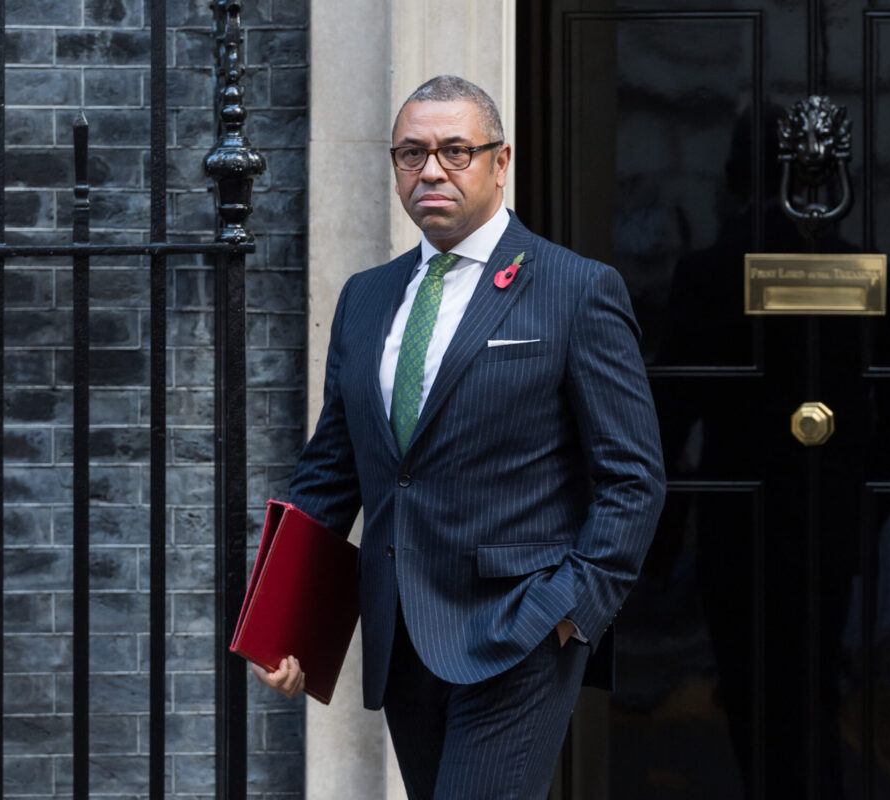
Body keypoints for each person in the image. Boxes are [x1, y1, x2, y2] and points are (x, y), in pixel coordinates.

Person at [254, 74, 665, 800]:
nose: (431, 170)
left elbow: (633, 477)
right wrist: (279, 619)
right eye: (411, 154)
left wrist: (571, 612)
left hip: (520, 633)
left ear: (499, 162)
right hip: (403, 637)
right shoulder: (365, 297)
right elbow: (331, 471)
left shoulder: (576, 290)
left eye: (454, 151)